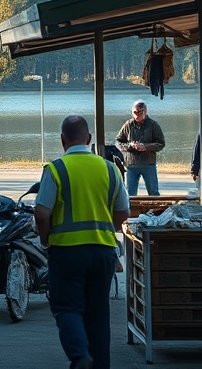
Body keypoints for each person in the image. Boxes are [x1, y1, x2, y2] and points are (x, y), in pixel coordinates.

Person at [35, 115, 130, 369]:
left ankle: (79, 355)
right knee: (99, 315)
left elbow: (42, 212)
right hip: (103, 253)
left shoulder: (55, 169)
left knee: (66, 307)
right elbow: (123, 212)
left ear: (62, 140)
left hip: (66, 253)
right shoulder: (110, 168)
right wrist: (106, 228)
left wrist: (45, 241)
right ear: (89, 139)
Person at [115, 100, 165, 196]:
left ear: (145, 112)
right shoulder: (128, 125)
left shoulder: (153, 125)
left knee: (153, 193)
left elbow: (161, 143)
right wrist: (130, 146)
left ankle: (155, 210)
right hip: (131, 165)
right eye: (135, 112)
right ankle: (131, 211)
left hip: (148, 164)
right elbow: (118, 141)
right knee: (130, 194)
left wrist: (146, 147)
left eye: (140, 112)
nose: (137, 114)